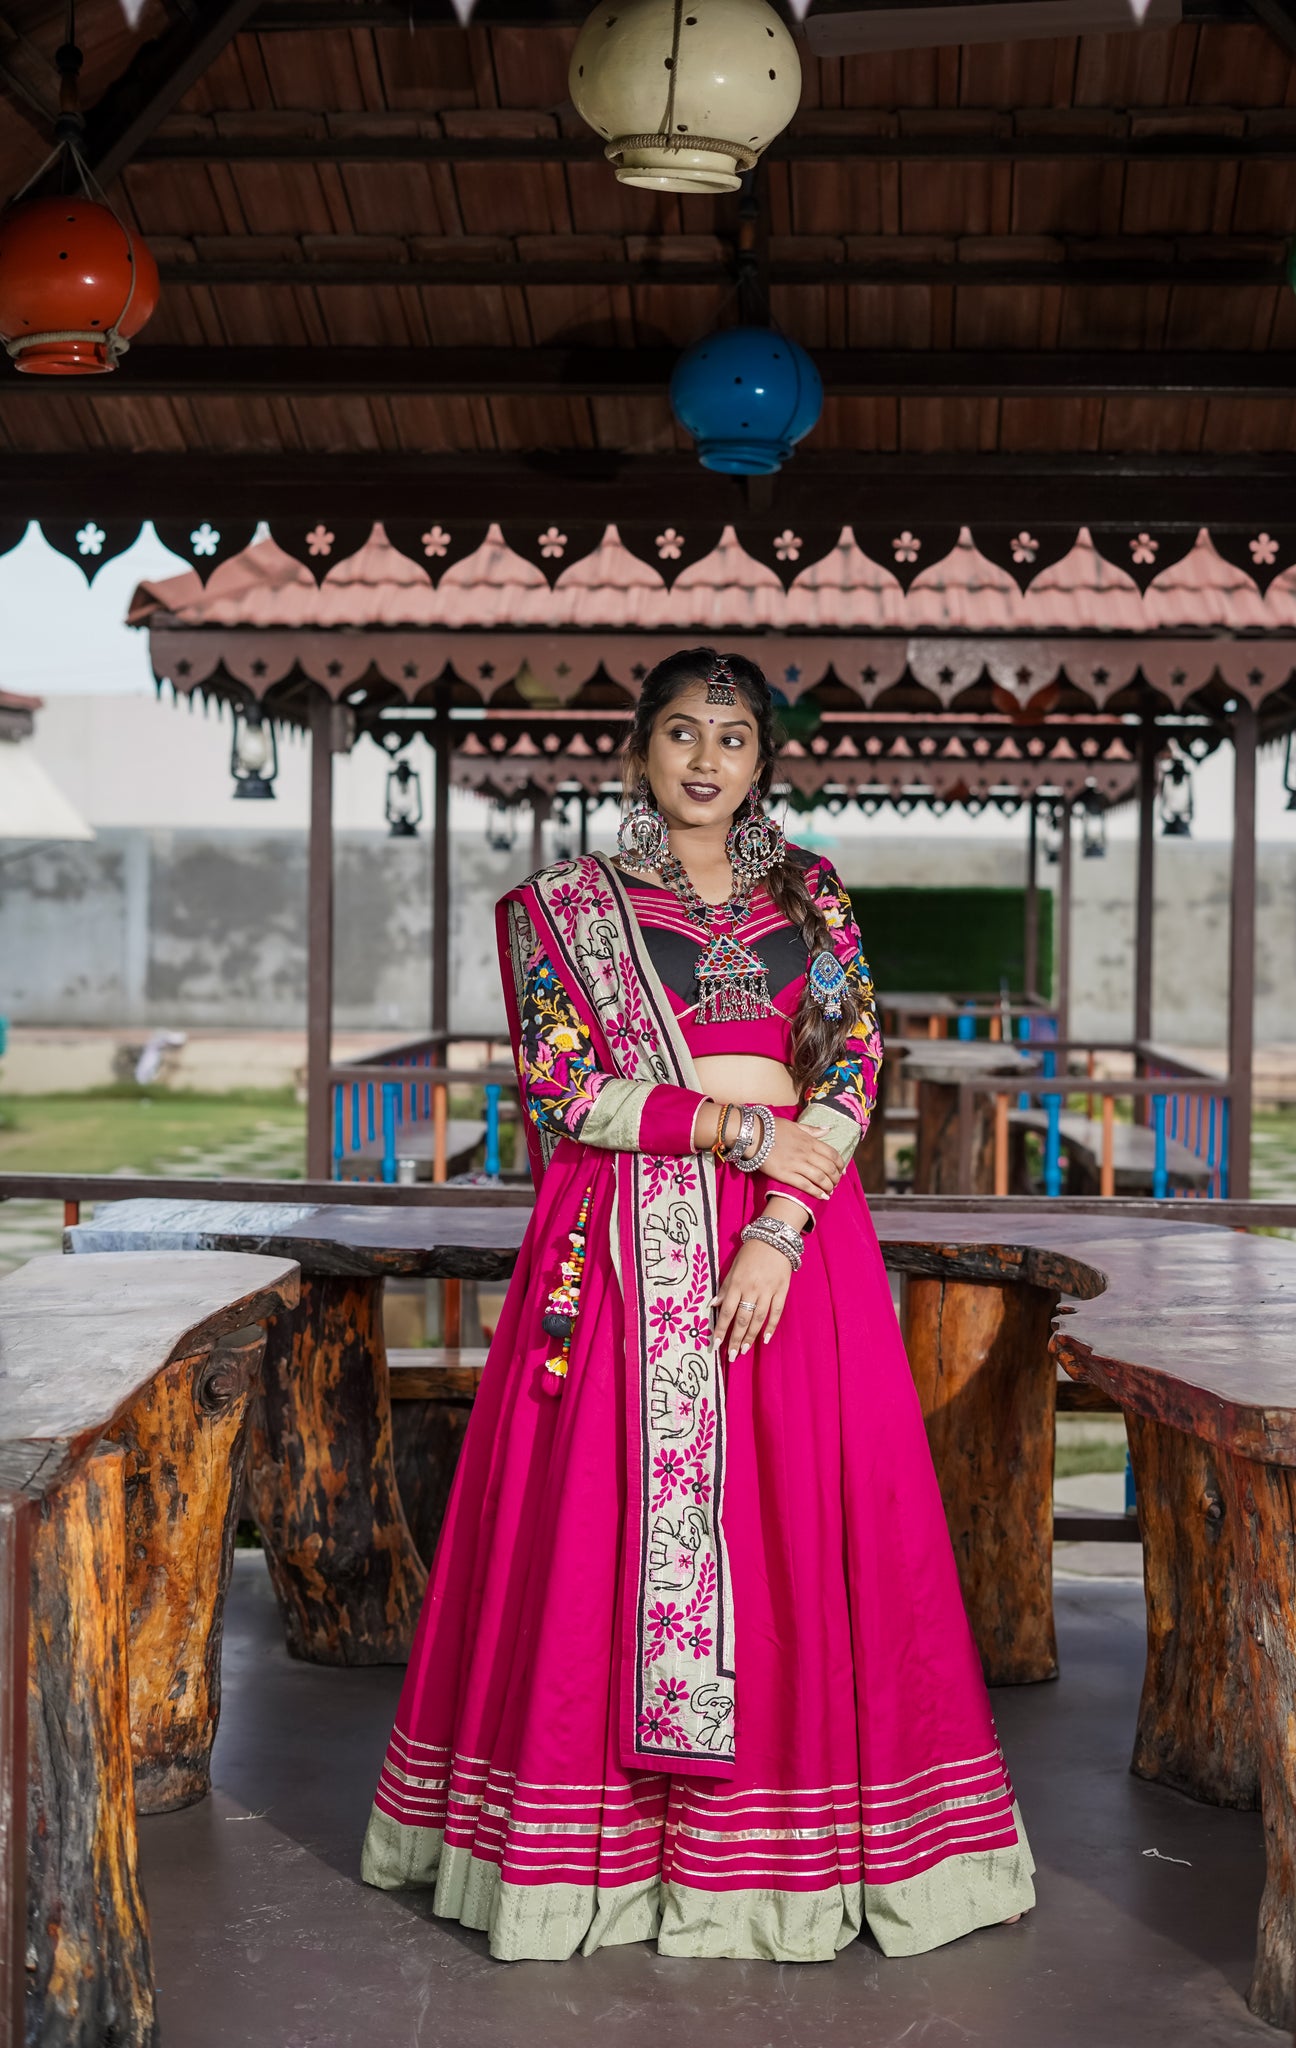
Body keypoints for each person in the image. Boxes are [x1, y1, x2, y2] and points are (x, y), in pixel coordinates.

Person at [361, 647, 1035, 1963]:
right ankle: (588, 1860)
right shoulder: (563, 907)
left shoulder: (811, 894)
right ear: (637, 753)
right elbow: (562, 1088)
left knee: (800, 1510)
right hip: (625, 1231)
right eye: (680, 733)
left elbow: (850, 1055)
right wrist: (735, 1129)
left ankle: (782, 1861)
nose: (706, 759)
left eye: (731, 737)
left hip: (796, 1235)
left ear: (761, 761)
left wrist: (780, 1224)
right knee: (603, 1521)